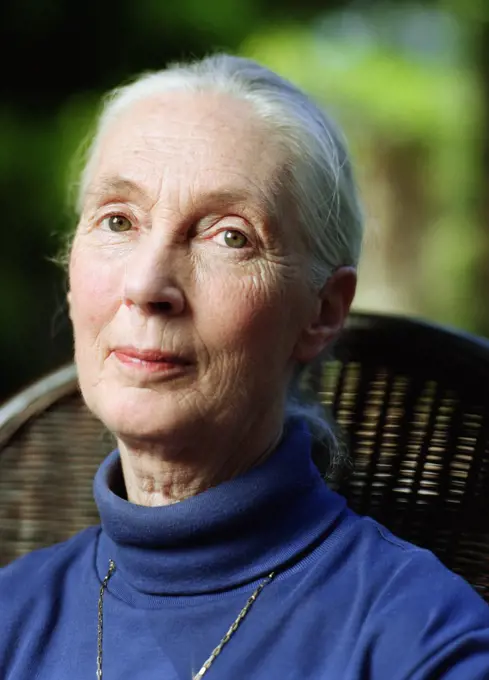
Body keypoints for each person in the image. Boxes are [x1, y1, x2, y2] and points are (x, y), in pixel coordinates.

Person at [1, 54, 489, 680]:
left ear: (321, 313)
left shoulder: (421, 641)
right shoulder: (13, 613)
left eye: (230, 236)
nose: (148, 283)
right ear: (70, 279)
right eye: (118, 220)